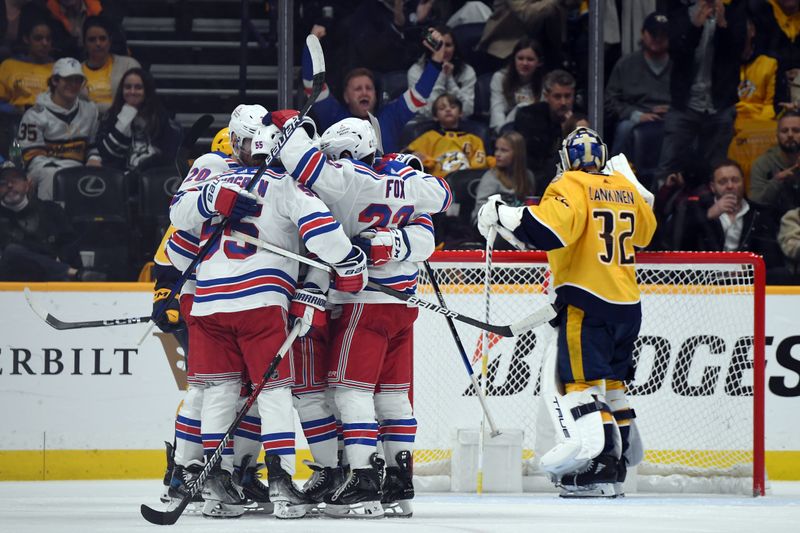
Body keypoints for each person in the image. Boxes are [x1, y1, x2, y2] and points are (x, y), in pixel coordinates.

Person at [169, 115, 369, 519]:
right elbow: (324, 234)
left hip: (209, 302)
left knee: (219, 393)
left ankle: (216, 484)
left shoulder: (218, 181)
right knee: (274, 392)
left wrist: (212, 204)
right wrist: (350, 263)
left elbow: (177, 243)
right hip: (259, 303)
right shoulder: (287, 185)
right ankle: (281, 484)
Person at [275, 114, 451, 518]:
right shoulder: (408, 181)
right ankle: (399, 480)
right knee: (392, 395)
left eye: (336, 155)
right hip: (403, 307)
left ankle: (362, 478)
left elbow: (307, 165)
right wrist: (396, 240)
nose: (331, 161)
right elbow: (440, 201)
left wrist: (292, 130)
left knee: (349, 392)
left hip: (362, 305)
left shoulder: (348, 179)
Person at [476, 127, 657, 497]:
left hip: (588, 302)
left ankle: (601, 464)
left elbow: (548, 230)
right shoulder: (622, 185)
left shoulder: (570, 184)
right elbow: (646, 232)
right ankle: (619, 461)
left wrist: (501, 212)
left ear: (568, 159)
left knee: (578, 386)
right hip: (628, 305)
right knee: (612, 385)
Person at [302, 28, 447, 153]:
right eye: (358, 89)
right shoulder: (333, 114)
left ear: (376, 95)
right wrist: (312, 44)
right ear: (346, 97)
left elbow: (419, 95)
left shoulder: (391, 116)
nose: (364, 92)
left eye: (369, 88)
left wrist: (436, 60)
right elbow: (312, 84)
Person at [656, 0, 747, 188]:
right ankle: (658, 212)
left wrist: (722, 25)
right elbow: (676, 52)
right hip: (685, 104)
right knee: (667, 168)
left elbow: (737, 51)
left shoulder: (734, 10)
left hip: (719, 104)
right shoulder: (681, 10)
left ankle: (712, 215)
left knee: (716, 169)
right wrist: (695, 27)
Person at [0, 165, 105, 281]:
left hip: (51, 278)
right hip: (11, 281)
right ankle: (72, 273)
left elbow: (69, 244)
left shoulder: (51, 209)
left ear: (27, 184)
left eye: (15, 180)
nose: (9, 186)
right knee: (12, 251)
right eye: (3, 183)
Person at [675, 159, 782, 271]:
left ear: (743, 182)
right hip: (706, 281)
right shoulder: (698, 210)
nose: (730, 186)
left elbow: (771, 256)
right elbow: (681, 247)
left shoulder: (758, 213)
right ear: (712, 187)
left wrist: (747, 268)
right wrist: (708, 216)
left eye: (735, 180)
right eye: (722, 182)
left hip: (747, 280)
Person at [17, 57, 101, 201]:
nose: (73, 85)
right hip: (43, 169)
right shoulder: (35, 114)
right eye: (68, 80)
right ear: (55, 81)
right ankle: (49, 220)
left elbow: (92, 145)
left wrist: (94, 158)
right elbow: (30, 157)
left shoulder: (90, 110)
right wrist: (61, 170)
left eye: (77, 80)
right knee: (51, 174)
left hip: (77, 167)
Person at [604, 11, 672, 158]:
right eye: (653, 33)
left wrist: (673, 109)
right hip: (635, 116)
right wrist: (635, 115)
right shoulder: (626, 64)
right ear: (643, 34)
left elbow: (689, 98)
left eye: (662, 34)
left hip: (670, 117)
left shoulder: (678, 66)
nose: (657, 38)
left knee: (686, 129)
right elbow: (610, 100)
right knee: (624, 129)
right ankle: (616, 175)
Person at [96, 68, 180, 173]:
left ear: (146, 90)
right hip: (119, 178)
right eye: (128, 87)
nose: (132, 91)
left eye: (138, 87)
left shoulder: (160, 116)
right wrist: (125, 117)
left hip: (151, 177)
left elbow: (168, 154)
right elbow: (107, 154)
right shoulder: (110, 116)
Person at [513, 69, 577, 193]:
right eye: (557, 96)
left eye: (568, 96)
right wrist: (563, 135)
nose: (563, 102)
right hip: (536, 181)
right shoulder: (528, 117)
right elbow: (535, 162)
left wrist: (571, 132)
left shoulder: (580, 118)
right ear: (547, 96)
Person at [0, 16, 54, 159]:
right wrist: (17, 109)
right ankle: (15, 165)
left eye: (48, 39)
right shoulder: (9, 66)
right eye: (38, 38)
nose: (45, 43)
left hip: (49, 126)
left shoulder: (56, 68)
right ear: (26, 39)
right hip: (16, 123)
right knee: (14, 138)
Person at [406, 93, 488, 177]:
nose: (448, 110)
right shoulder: (428, 138)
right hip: (437, 182)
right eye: (442, 108)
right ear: (435, 116)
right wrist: (424, 160)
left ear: (460, 113)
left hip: (465, 181)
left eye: (452, 107)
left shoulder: (474, 140)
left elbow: (479, 165)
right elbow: (407, 154)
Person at [407, 25, 477, 118]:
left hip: (459, 126)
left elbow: (467, 110)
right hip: (426, 125)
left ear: (455, 47)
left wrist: (450, 80)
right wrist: (439, 73)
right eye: (438, 45)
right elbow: (426, 111)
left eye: (447, 45)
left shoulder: (467, 71)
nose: (443, 50)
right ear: (429, 47)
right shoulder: (416, 71)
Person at [80, 15, 141, 114]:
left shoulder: (129, 65)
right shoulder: (75, 71)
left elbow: (137, 101)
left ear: (110, 40)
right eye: (92, 39)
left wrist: (95, 108)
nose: (98, 43)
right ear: (84, 43)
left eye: (103, 38)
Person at [471, 130, 533, 225]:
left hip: (516, 223)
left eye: (504, 150)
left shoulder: (528, 176)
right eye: (497, 149)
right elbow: (481, 209)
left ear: (517, 154)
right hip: (488, 224)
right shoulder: (491, 177)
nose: (497, 154)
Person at [749, 110, 800, 216]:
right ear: (777, 135)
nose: (790, 135)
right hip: (775, 224)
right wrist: (777, 181)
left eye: (796, 130)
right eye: (784, 131)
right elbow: (755, 202)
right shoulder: (762, 164)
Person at [489, 37, 544, 134]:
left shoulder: (545, 83)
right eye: (520, 58)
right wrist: (504, 134)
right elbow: (497, 112)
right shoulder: (500, 78)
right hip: (505, 131)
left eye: (530, 59)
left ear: (539, 62)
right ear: (514, 60)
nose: (525, 63)